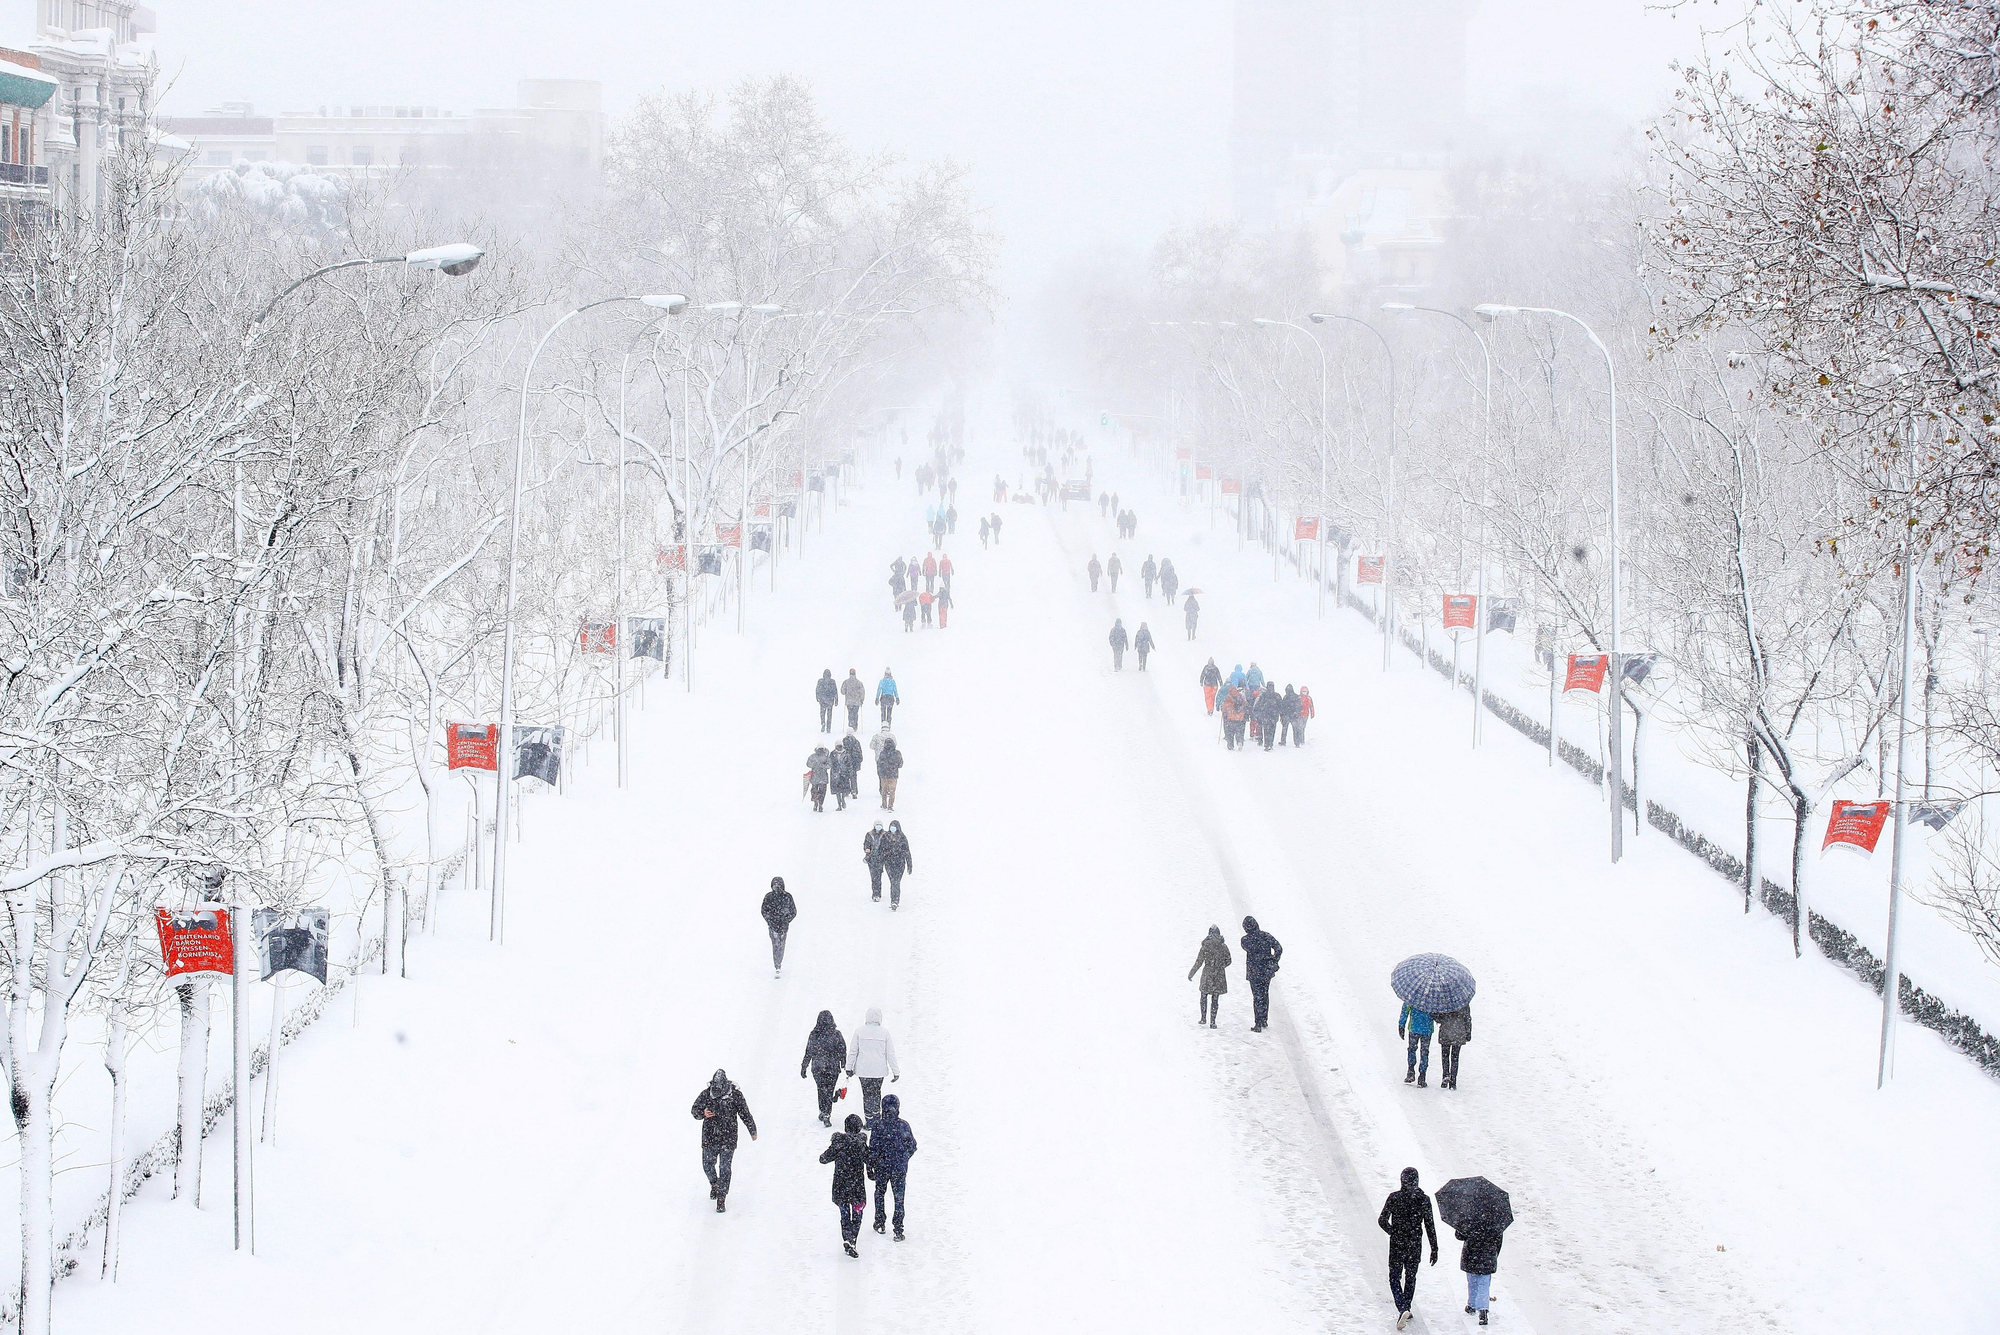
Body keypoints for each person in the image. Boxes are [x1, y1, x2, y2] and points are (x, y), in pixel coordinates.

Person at [1379, 1167, 1440, 1329]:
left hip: (1398, 1244)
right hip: (1414, 1243)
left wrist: (1394, 1232)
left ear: (1402, 1180)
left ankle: (1402, 1307)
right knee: (1411, 1276)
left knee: (1394, 1277)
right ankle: (1407, 1306)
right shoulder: (1424, 1200)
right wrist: (1434, 1248)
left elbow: (1382, 1220)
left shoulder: (1394, 1198)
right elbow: (1429, 1225)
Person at [691, 1070, 757, 1212]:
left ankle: (722, 1197)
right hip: (710, 1137)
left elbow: (745, 1113)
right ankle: (714, 1183)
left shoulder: (735, 1095)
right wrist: (703, 1113)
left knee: (725, 1168)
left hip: (728, 1138)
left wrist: (753, 1130)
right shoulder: (706, 1094)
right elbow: (694, 1109)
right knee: (707, 1165)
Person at [867, 1093, 918, 1241]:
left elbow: (873, 1148)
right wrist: (903, 1158)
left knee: (879, 1193)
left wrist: (871, 1166)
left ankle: (880, 1221)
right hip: (899, 1168)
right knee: (899, 1197)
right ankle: (898, 1228)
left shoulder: (877, 1125)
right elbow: (912, 1146)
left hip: (881, 1166)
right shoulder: (903, 1125)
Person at [820, 1113, 870, 1258]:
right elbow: (870, 1159)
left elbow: (823, 1159)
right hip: (857, 1186)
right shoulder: (861, 1145)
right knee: (858, 1212)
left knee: (844, 1213)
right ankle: (853, 1238)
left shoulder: (838, 1143)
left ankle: (847, 1236)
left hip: (841, 1185)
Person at [845, 1007, 901, 1122]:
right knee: (876, 1093)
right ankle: (876, 1116)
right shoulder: (884, 1033)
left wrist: (849, 1067)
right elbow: (890, 1053)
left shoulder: (859, 1031)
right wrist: (896, 1071)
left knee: (866, 1093)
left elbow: (853, 1051)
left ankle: (869, 1118)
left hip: (863, 1070)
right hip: (879, 1071)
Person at [1456, 1214, 1506, 1326]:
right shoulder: (1495, 1217)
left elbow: (1459, 1235)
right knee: (1484, 1282)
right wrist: (1494, 1253)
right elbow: (1499, 1239)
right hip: (1488, 1254)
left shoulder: (1469, 1214)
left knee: (1472, 1280)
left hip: (1471, 1253)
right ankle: (1483, 1310)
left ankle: (1471, 1305)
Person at [801, 1010, 847, 1127]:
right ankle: (827, 1113)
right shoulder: (836, 1034)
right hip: (832, 1067)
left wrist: (804, 1066)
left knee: (821, 1089)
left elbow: (809, 1051)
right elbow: (842, 1049)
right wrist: (843, 1062)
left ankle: (823, 1110)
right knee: (829, 1089)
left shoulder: (814, 1034)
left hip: (818, 1067)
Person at [1241, 916, 1283, 1032]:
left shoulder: (1245, 940)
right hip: (1266, 971)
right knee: (1265, 994)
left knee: (1257, 996)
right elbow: (1278, 948)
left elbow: (1247, 947)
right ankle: (1264, 1019)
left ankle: (1258, 1023)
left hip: (1254, 972)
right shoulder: (1266, 936)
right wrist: (1274, 960)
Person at [1188, 925, 1232, 1028]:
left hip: (1207, 972)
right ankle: (1213, 1021)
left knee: (1204, 995)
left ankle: (1203, 1018)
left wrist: (1191, 973)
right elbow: (1229, 960)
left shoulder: (1206, 945)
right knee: (1215, 998)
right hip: (1219, 974)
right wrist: (1220, 966)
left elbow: (1199, 961)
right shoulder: (1223, 946)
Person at [761, 876, 797, 977]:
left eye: (778, 884)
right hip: (773, 926)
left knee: (781, 945)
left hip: (784, 927)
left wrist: (786, 920)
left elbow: (793, 911)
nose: (776, 886)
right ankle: (777, 964)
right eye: (775, 884)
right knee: (775, 944)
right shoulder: (768, 897)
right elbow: (764, 911)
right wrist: (770, 920)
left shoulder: (787, 897)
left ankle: (779, 962)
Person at [878, 819, 914, 908]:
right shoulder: (885, 836)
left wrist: (910, 865)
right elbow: (881, 850)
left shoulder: (902, 837)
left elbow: (907, 851)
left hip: (900, 863)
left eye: (894, 827)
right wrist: (881, 862)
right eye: (891, 827)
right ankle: (894, 899)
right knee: (893, 881)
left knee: (896, 882)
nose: (892, 829)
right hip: (889, 863)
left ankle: (895, 901)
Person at [1434, 1003, 1471, 1090]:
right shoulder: (1463, 1003)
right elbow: (1467, 1018)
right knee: (1455, 1057)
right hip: (1458, 1033)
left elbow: (1438, 1018)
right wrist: (1468, 1032)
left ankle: (1445, 1075)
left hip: (1445, 1032)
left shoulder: (1444, 1002)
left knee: (1445, 1056)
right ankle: (1453, 1081)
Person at [1399, 1001, 1434, 1087]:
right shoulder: (1432, 998)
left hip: (1414, 1027)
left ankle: (1411, 1071)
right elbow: (1437, 1014)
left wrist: (1401, 1024)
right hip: (1427, 1029)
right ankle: (1422, 1076)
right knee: (1424, 1052)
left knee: (1412, 1049)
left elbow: (1405, 1010)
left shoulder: (1413, 997)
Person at [830, 733, 859, 811]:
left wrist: (849, 772)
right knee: (838, 791)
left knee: (842, 790)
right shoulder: (833, 754)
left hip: (843, 774)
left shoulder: (845, 754)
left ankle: (842, 800)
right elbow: (830, 764)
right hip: (837, 774)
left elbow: (849, 764)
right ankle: (839, 804)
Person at [876, 734, 904, 811]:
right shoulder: (897, 753)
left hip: (884, 775)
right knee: (892, 792)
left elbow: (879, 764)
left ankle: (884, 804)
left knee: (884, 790)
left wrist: (880, 772)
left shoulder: (882, 753)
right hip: (893, 775)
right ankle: (890, 806)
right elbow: (900, 764)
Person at [1252, 684, 1282, 751]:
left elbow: (1258, 706)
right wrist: (1280, 714)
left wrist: (1257, 714)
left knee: (1266, 730)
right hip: (1274, 716)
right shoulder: (1277, 696)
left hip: (1265, 716)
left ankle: (1267, 744)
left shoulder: (1263, 696)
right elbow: (1281, 706)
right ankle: (1270, 743)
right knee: (1272, 730)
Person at [1221, 684, 1249, 750]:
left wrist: (1224, 713)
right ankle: (1240, 741)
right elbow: (1245, 705)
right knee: (1239, 732)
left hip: (1230, 718)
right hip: (1240, 718)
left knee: (1230, 732)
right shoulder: (1241, 696)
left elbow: (1225, 707)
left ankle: (1230, 745)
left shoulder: (1228, 698)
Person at [806, 745, 832, 812]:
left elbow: (829, 765)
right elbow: (808, 764)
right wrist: (822, 766)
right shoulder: (825, 757)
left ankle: (818, 803)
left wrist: (819, 765)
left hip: (816, 777)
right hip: (821, 777)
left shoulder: (814, 756)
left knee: (816, 791)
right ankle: (818, 803)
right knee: (821, 792)